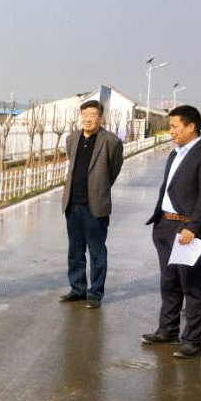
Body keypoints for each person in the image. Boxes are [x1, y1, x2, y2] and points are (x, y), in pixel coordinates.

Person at [142, 105, 201, 359]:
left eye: (175, 126)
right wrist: (159, 221)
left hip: (187, 229)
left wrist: (193, 228)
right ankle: (168, 330)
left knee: (191, 285)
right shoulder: (174, 154)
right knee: (169, 282)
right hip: (166, 226)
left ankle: (192, 340)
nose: (171, 131)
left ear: (191, 126)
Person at [59, 100, 124, 309]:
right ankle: (77, 289)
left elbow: (114, 170)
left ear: (101, 118)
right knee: (75, 251)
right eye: (85, 114)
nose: (88, 119)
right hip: (73, 204)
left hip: (95, 206)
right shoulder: (72, 139)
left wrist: (100, 188)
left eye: (93, 115)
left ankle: (95, 293)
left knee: (97, 251)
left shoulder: (111, 141)